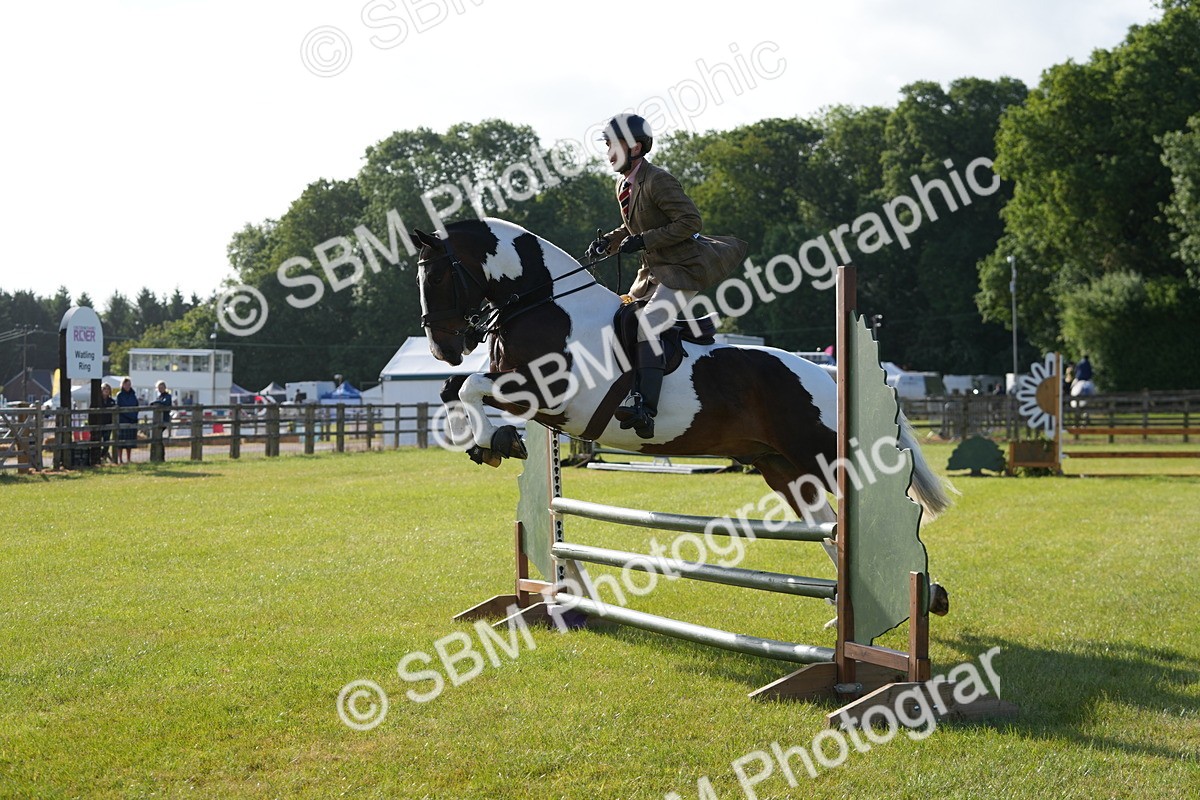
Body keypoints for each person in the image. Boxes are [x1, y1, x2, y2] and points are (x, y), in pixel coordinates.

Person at [585, 113, 747, 438]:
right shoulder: (625, 184)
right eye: (607, 147)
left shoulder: (658, 179)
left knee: (648, 325)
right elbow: (634, 226)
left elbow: (690, 222)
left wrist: (644, 240)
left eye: (612, 146)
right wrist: (610, 242)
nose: (608, 154)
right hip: (650, 274)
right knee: (617, 319)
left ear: (635, 147)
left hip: (681, 271)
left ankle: (646, 408)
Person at [115, 377, 139, 463]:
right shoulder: (120, 395)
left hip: (132, 420)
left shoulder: (133, 395)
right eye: (126, 384)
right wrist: (129, 414)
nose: (128, 386)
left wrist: (134, 416)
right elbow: (120, 406)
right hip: (123, 420)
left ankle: (129, 459)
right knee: (121, 442)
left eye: (129, 384)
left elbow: (136, 406)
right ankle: (120, 459)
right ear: (123, 385)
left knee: (130, 442)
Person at [94, 382, 117, 463]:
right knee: (98, 441)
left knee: (107, 442)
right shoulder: (98, 401)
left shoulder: (112, 401)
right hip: (99, 424)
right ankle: (100, 457)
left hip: (108, 424)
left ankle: (103, 455)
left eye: (108, 389)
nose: (106, 390)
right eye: (104, 389)